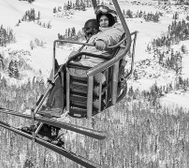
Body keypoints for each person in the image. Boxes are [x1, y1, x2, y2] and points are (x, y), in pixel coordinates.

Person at [34, 11, 129, 147]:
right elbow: (91, 50)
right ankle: (48, 126)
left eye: (105, 20)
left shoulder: (113, 31)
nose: (103, 23)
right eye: (101, 20)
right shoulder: (99, 34)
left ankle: (53, 110)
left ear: (111, 21)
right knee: (58, 72)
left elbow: (111, 37)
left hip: (90, 68)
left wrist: (102, 41)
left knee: (58, 72)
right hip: (87, 65)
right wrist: (78, 55)